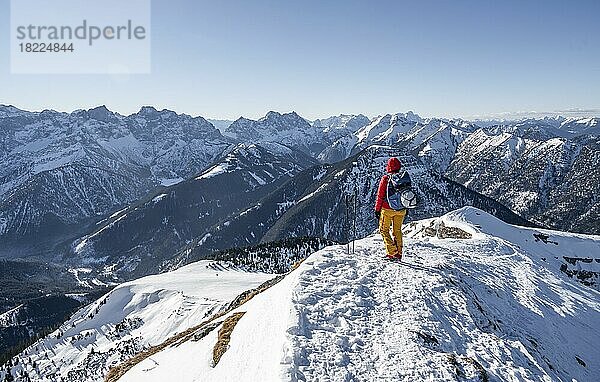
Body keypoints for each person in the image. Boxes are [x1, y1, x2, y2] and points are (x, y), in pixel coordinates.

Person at [374, 157, 411, 260]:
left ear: (388, 167)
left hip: (387, 209)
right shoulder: (404, 178)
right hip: (401, 209)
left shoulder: (386, 179)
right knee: (397, 231)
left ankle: (392, 253)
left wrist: (377, 209)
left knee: (384, 230)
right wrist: (406, 207)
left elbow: (380, 195)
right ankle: (399, 253)